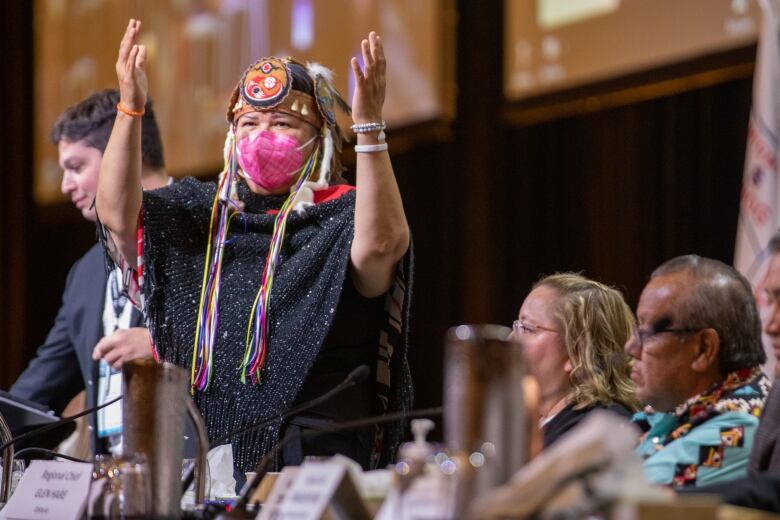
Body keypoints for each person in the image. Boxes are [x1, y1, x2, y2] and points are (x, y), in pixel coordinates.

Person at [96, 20, 412, 474]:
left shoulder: (345, 214)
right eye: (248, 123)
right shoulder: (206, 215)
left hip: (318, 445)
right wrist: (130, 109)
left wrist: (368, 128)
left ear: (318, 141)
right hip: (215, 445)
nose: (262, 135)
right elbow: (116, 213)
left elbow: (381, 248)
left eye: (283, 122)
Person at [10, 89, 169, 453]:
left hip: (198, 471)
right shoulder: (84, 273)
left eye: (77, 167)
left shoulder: (212, 230)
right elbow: (37, 389)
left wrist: (161, 346)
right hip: (113, 481)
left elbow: (246, 342)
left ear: (124, 154)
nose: (66, 186)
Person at [626, 255, 770, 488]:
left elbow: (607, 504)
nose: (630, 347)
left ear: (704, 349)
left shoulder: (738, 430)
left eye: (648, 333)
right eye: (637, 328)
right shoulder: (677, 406)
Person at [510, 273, 639, 449]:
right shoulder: (529, 422)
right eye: (516, 326)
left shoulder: (599, 433)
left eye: (527, 328)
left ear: (577, 350)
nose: (511, 339)